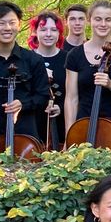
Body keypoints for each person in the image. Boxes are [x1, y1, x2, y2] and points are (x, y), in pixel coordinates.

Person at [0, 1, 50, 141]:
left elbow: (43, 96)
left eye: (12, 22)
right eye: (1, 23)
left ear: (19, 25)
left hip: (26, 137)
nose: (7, 28)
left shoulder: (34, 60)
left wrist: (23, 104)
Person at [65, 1, 111, 135]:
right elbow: (71, 98)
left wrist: (110, 84)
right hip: (84, 124)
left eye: (108, 19)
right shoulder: (75, 55)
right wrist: (69, 134)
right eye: (98, 19)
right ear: (89, 20)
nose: (103, 24)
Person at [28, 10, 66, 146]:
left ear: (59, 33)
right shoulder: (27, 59)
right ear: (35, 32)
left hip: (62, 126)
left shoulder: (68, 58)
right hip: (33, 125)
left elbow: (77, 93)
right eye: (43, 29)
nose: (48, 34)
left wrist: (61, 107)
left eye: (54, 30)